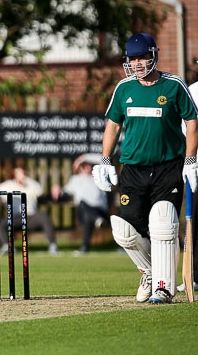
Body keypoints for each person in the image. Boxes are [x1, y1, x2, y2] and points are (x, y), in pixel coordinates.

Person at [92, 32, 198, 304]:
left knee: (162, 222)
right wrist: (105, 160)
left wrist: (190, 160)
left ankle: (163, 288)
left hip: (167, 166)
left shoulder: (173, 85)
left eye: (143, 57)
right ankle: (150, 272)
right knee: (126, 230)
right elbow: (113, 125)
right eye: (133, 59)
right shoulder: (124, 88)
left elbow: (192, 122)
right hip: (133, 168)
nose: (138, 63)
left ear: (154, 55)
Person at [52, 153, 109, 255]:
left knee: (88, 216)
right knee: (83, 204)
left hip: (99, 211)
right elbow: (64, 191)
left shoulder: (98, 176)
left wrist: (83, 158)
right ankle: (96, 220)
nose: (86, 167)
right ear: (79, 168)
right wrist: (57, 189)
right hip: (83, 212)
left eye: (87, 165)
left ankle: (85, 247)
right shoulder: (75, 179)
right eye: (83, 165)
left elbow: (103, 160)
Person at [0, 167, 59, 255]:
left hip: (31, 217)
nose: (21, 176)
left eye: (23, 174)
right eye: (18, 174)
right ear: (14, 175)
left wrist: (25, 182)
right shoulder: (7, 186)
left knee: (43, 215)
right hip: (16, 218)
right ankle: (8, 247)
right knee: (1, 223)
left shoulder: (31, 184)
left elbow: (40, 190)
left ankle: (53, 245)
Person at [177, 79, 198, 293]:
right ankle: (194, 275)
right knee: (195, 221)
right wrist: (190, 160)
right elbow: (187, 127)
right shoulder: (192, 91)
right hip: (196, 164)